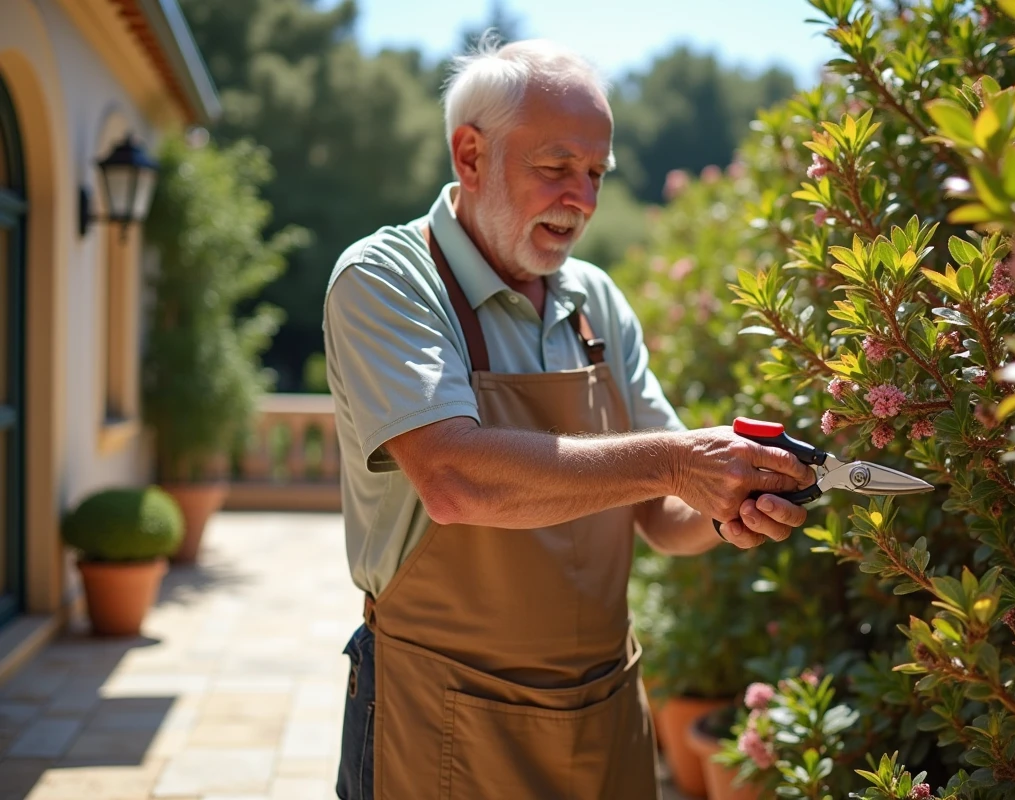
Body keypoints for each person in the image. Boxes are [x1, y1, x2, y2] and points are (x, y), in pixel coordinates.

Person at [322, 35, 815, 800]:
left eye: (594, 174)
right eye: (555, 168)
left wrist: (728, 504)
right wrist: (678, 459)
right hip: (441, 717)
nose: (581, 199)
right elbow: (456, 481)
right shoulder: (387, 280)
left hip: (601, 712)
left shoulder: (594, 300)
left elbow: (664, 512)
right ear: (470, 155)